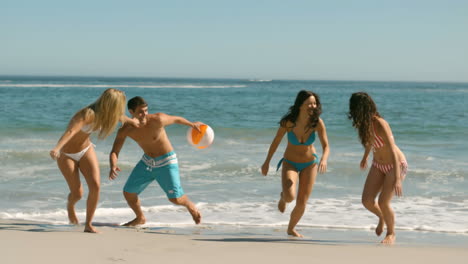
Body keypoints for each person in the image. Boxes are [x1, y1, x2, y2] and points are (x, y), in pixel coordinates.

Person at [50, 88, 135, 233]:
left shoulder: (111, 115)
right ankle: (70, 206)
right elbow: (70, 131)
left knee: (95, 185)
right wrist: (57, 148)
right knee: (77, 193)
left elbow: (130, 121)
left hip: (85, 150)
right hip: (66, 153)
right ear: (111, 104)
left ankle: (88, 225)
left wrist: (145, 122)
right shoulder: (87, 114)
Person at [109, 96, 202, 227]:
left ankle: (190, 205)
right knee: (129, 192)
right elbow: (114, 151)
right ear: (131, 112)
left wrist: (192, 124)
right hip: (147, 163)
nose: (144, 114)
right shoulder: (126, 130)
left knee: (175, 198)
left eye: (146, 110)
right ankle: (140, 218)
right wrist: (113, 165)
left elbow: (176, 119)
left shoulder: (157, 119)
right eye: (140, 111)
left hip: (167, 161)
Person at [261, 90, 330, 237]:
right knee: (290, 196)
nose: (313, 106)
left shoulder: (317, 123)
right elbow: (276, 141)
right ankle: (283, 197)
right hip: (290, 163)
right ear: (300, 105)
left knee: (302, 201)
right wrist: (267, 162)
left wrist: (324, 158)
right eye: (309, 103)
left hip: (310, 164)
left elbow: (326, 146)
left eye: (314, 103)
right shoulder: (289, 122)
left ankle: (291, 228)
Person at [348, 92, 408, 244]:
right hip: (378, 164)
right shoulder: (364, 124)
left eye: (355, 108)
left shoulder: (380, 123)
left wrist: (398, 179)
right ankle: (382, 217)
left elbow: (393, 149)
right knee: (367, 200)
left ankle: (391, 233)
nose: (353, 112)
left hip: (395, 165)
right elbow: (369, 141)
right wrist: (365, 156)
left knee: (383, 202)